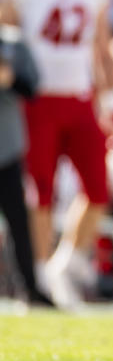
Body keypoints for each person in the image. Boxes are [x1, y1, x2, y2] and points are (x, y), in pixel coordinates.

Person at [0, 0, 113, 310]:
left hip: (80, 95)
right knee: (40, 195)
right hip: (35, 102)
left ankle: (63, 263)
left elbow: (102, 43)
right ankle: (35, 275)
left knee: (100, 190)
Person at [0, 21, 51, 306]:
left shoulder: (13, 43)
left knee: (19, 223)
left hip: (7, 148)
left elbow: (32, 87)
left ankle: (29, 289)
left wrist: (10, 79)